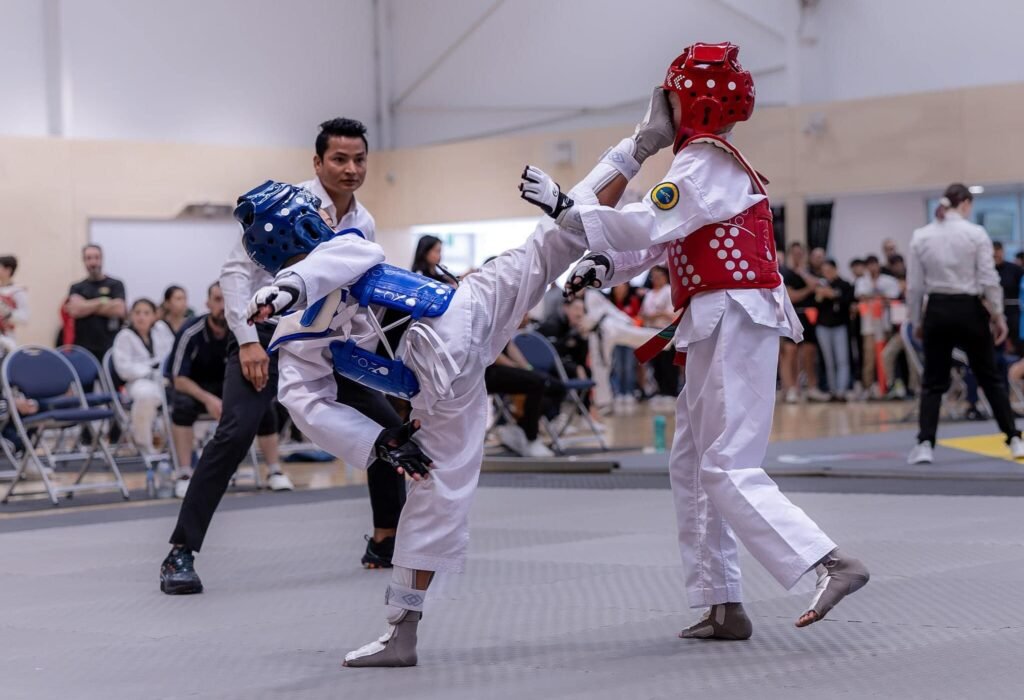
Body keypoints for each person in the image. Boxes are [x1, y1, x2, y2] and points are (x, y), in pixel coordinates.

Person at [237, 87, 672, 666]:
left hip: (455, 329)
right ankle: (640, 143)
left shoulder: (336, 256)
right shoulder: (303, 308)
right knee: (552, 240)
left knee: (554, 237)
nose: (317, 211)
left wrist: (291, 290)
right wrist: (382, 440)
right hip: (445, 352)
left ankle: (642, 142)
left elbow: (319, 342)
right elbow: (304, 395)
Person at [541, 41, 869, 639]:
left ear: (685, 100)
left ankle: (830, 561)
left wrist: (572, 212)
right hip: (714, 318)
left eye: (666, 97)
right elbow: (657, 240)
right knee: (692, 465)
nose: (658, 112)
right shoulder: (701, 163)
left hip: (734, 315)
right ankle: (723, 603)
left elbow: (649, 221)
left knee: (724, 462)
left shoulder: (707, 162)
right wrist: (605, 267)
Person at [159, 118, 410, 596]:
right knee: (235, 433)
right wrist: (248, 340)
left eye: (359, 159)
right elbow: (235, 272)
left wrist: (360, 355)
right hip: (262, 332)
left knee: (388, 432)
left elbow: (358, 293)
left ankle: (384, 540)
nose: (350, 168)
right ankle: (180, 553)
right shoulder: (284, 203)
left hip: (324, 342)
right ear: (317, 162)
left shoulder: (363, 221)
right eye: (339, 159)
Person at [906, 184, 1024, 463]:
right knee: (990, 377)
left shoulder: (921, 236)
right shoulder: (976, 234)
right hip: (969, 309)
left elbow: (914, 287)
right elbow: (988, 280)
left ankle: (925, 444)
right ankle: (1014, 439)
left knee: (933, 382)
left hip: (937, 308)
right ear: (966, 204)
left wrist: (916, 319)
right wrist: (998, 316)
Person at [165, 282, 283, 499]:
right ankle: (184, 474)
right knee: (181, 405)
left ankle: (275, 470)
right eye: (218, 300)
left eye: (227, 301)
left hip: (232, 388)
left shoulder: (246, 330)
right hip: (198, 391)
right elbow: (178, 379)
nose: (223, 306)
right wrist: (208, 399)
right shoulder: (191, 332)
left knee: (264, 402)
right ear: (207, 303)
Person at [112, 299, 175, 457]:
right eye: (137, 313)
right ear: (131, 315)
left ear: (154, 316)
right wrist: (148, 371)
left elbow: (172, 355)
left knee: (188, 395)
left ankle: (177, 445)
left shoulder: (161, 331)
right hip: (136, 382)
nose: (141, 317)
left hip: (163, 380)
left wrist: (162, 372)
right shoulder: (124, 336)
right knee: (146, 395)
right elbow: (123, 368)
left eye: (146, 313)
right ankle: (144, 444)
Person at [484, 341, 559, 458]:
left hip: (499, 366)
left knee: (554, 385)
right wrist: (514, 367)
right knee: (535, 383)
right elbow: (489, 349)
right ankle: (530, 437)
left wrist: (527, 368)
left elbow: (509, 345)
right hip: (484, 369)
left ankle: (521, 427)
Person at [780, 243, 829, 403]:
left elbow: (819, 285)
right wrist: (808, 289)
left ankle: (811, 388)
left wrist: (806, 277)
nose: (797, 256)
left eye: (800, 254)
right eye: (794, 254)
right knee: (791, 352)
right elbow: (792, 296)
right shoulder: (785, 273)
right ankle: (791, 389)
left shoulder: (807, 272)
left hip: (810, 317)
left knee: (809, 353)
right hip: (792, 315)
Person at [65, 245, 126, 362]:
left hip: (110, 347)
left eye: (96, 258)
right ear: (83, 261)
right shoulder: (76, 287)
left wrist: (85, 305)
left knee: (108, 380)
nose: (93, 262)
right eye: (88, 258)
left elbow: (119, 309)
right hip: (83, 348)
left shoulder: (116, 284)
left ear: (102, 259)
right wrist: (103, 301)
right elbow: (74, 310)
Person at [854, 255, 901, 397]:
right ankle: (868, 388)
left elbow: (893, 297)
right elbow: (861, 296)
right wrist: (878, 296)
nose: (872, 268)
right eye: (870, 265)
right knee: (869, 357)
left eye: (875, 264)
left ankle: (888, 385)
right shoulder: (862, 281)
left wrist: (876, 297)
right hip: (869, 326)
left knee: (886, 356)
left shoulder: (888, 280)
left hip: (885, 324)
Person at [814, 259, 854, 398]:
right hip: (823, 327)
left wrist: (834, 294)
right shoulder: (820, 285)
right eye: (824, 271)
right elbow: (816, 304)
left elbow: (847, 301)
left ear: (835, 269)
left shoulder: (844, 284)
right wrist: (821, 294)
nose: (827, 274)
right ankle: (832, 389)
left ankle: (841, 390)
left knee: (842, 359)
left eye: (829, 270)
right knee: (828, 360)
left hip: (840, 326)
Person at [639, 266, 678, 407]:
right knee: (656, 363)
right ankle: (660, 391)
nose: (656, 279)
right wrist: (648, 316)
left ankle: (671, 392)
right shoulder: (649, 293)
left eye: (658, 276)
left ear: (665, 276)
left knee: (668, 362)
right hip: (651, 330)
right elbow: (642, 312)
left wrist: (657, 314)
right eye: (653, 276)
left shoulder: (669, 290)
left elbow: (672, 313)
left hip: (666, 329)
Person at [993, 242, 1022, 355]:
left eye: (998, 252)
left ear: (1003, 252)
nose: (996, 255)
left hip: (1013, 310)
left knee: (1016, 339)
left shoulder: (1014, 269)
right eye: (993, 253)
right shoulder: (986, 270)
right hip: (992, 311)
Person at [0, 255, 29, 356]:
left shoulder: (18, 291)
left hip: (6, 340)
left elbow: (24, 318)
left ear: (8, 270)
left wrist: (7, 312)